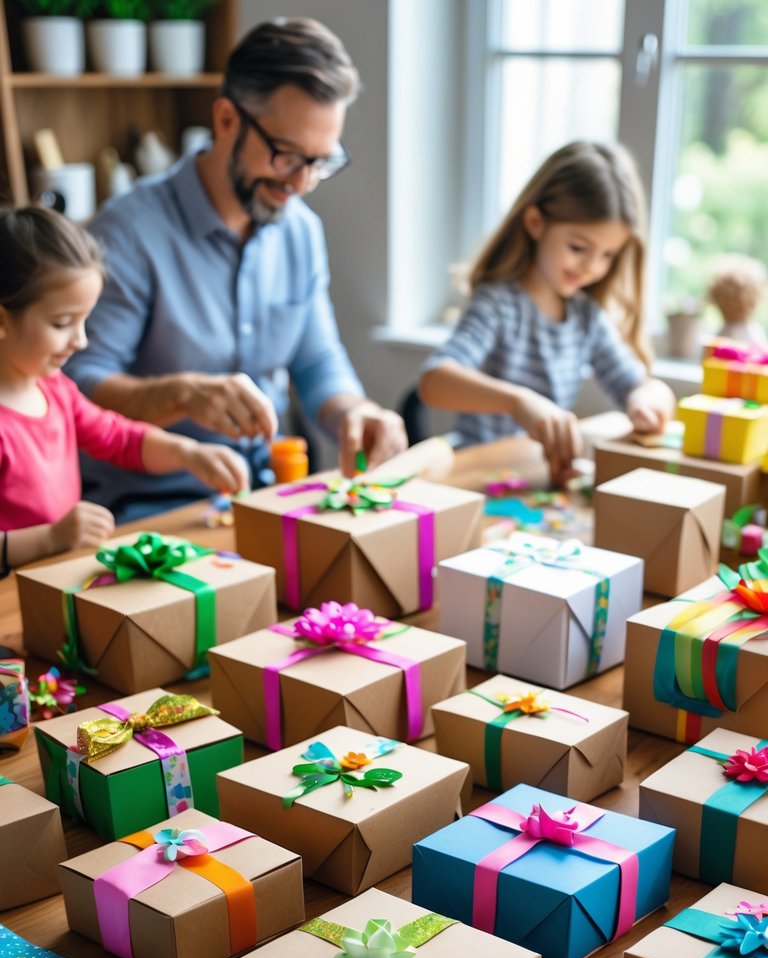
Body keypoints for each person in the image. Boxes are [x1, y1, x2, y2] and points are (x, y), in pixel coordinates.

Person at [67, 16, 407, 523]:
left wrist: (355, 412)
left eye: (321, 161)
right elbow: (76, 388)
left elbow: (317, 364)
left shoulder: (300, 231)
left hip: (264, 495)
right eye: (288, 156)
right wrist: (182, 395)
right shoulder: (129, 233)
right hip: (150, 512)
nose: (303, 183)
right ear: (227, 120)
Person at [0, 206, 249, 574]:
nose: (80, 340)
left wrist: (189, 454)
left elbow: (119, 438)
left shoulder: (56, 390)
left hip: (59, 577)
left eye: (85, 321)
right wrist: (50, 538)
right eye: (62, 323)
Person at [419, 140, 675, 485]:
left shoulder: (587, 318)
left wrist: (649, 397)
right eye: (579, 248)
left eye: (607, 255)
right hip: (480, 478)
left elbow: (636, 383)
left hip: (538, 481)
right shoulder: (498, 305)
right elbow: (434, 381)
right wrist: (517, 402)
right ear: (536, 222)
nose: (592, 267)